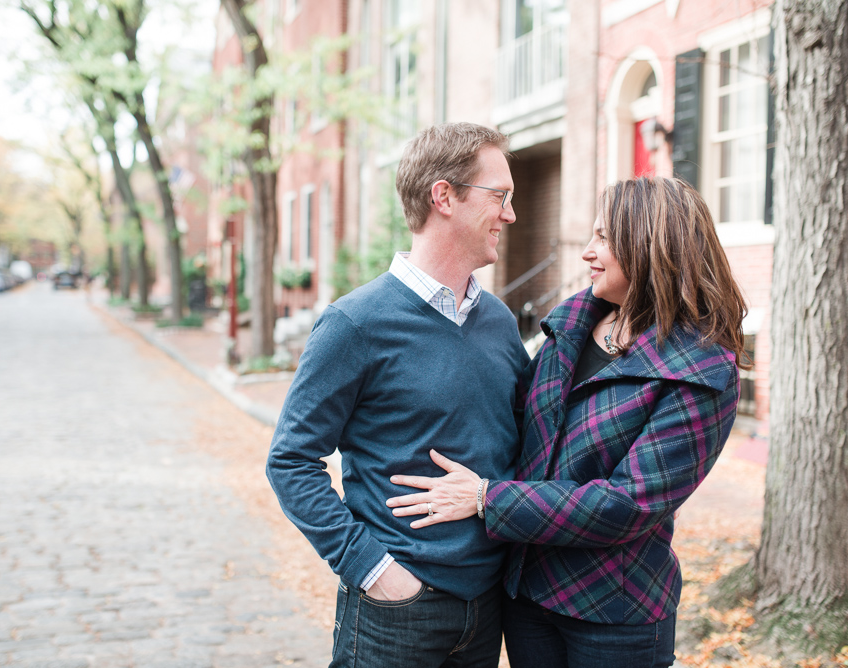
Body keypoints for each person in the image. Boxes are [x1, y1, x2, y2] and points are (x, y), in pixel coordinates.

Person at [387, 176, 748, 668]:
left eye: (604, 238)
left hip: (613, 610)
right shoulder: (570, 325)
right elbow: (514, 420)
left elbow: (629, 503)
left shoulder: (699, 370)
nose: (587, 252)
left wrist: (484, 497)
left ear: (648, 246)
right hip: (526, 594)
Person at [266, 122, 530, 668]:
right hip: (394, 614)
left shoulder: (500, 323)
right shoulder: (354, 325)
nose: (510, 214)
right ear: (444, 197)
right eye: (499, 196)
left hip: (488, 608)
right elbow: (291, 460)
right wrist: (373, 570)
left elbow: (526, 443)